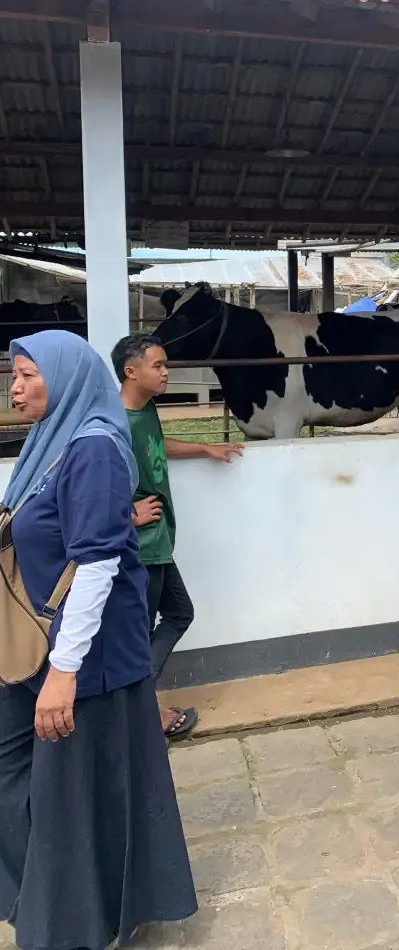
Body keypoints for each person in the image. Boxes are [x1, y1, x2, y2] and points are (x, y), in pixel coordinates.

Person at [0, 330, 196, 950]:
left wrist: (64, 671)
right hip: (32, 646)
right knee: (22, 775)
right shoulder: (49, 441)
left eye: (28, 375)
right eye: (13, 375)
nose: (15, 388)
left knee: (76, 792)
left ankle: (79, 920)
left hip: (84, 657)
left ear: (65, 378)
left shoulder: (94, 449)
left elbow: (98, 563)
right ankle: (42, 899)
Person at [112, 332, 242, 739]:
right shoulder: (113, 424)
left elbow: (155, 445)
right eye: (158, 365)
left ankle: (141, 708)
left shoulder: (146, 409)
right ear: (131, 372)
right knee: (144, 630)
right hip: (141, 546)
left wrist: (205, 448)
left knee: (178, 614)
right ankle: (142, 714)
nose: (166, 372)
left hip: (159, 540)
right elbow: (87, 480)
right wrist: (126, 514)